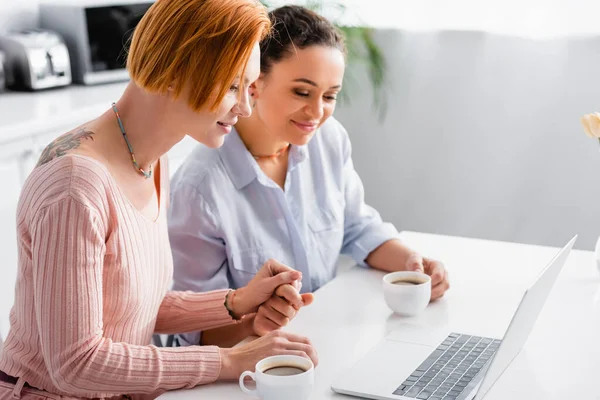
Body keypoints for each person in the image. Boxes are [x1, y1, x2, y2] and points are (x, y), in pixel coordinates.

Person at [0, 1, 318, 399]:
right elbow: (76, 364)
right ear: (175, 71)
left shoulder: (152, 160)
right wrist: (229, 361)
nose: (246, 107)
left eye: (250, 88)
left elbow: (129, 305)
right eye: (234, 86)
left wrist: (236, 303)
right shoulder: (74, 186)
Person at [168, 4, 451, 349]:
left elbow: (357, 227)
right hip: (252, 367)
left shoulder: (328, 140)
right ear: (253, 84)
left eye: (330, 96)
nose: (317, 112)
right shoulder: (199, 188)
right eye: (302, 92)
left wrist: (412, 262)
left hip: (326, 340)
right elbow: (192, 331)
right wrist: (254, 324)